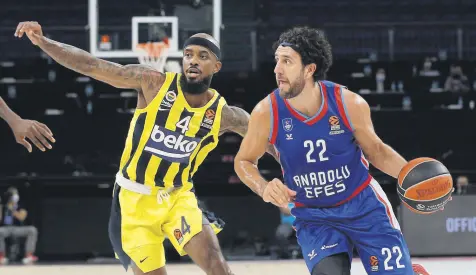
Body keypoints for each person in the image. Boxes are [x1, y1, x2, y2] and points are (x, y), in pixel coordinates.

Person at [16, 21, 278, 275]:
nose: (193, 60)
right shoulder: (154, 83)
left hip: (178, 197)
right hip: (133, 201)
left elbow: (272, 144)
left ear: (216, 66)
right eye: (188, 54)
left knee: (217, 265)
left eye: (202, 56)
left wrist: (298, 169)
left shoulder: (225, 115)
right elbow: (92, 65)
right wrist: (44, 42)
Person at [234, 26, 432, 275]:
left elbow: (377, 152)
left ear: (309, 69)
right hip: (314, 216)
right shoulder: (266, 112)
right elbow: (243, 161)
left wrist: (414, 180)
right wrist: (263, 187)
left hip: (364, 206)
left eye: (287, 61)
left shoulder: (348, 103)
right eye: (277, 61)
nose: (277, 70)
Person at [0, 187, 39, 265]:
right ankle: (1, 256)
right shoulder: (3, 206)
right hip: (5, 228)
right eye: (13, 195)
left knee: (32, 230)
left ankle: (29, 255)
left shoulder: (21, 205)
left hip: (18, 228)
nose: (15, 196)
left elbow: (22, 217)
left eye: (16, 194)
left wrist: (13, 210)